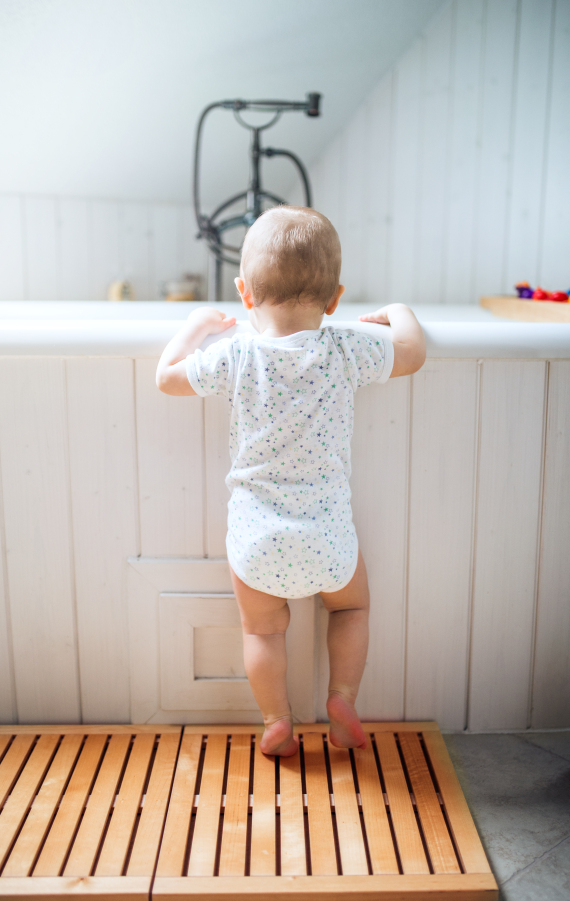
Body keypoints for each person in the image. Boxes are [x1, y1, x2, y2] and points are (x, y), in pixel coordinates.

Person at [156, 207, 426, 756]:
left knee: (262, 632)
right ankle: (343, 696)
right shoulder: (346, 348)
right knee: (351, 609)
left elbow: (166, 379)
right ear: (335, 299)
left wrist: (197, 325)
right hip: (328, 536)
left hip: (257, 541)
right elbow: (412, 354)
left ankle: (277, 719)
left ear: (245, 294)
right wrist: (399, 311)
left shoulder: (234, 354)